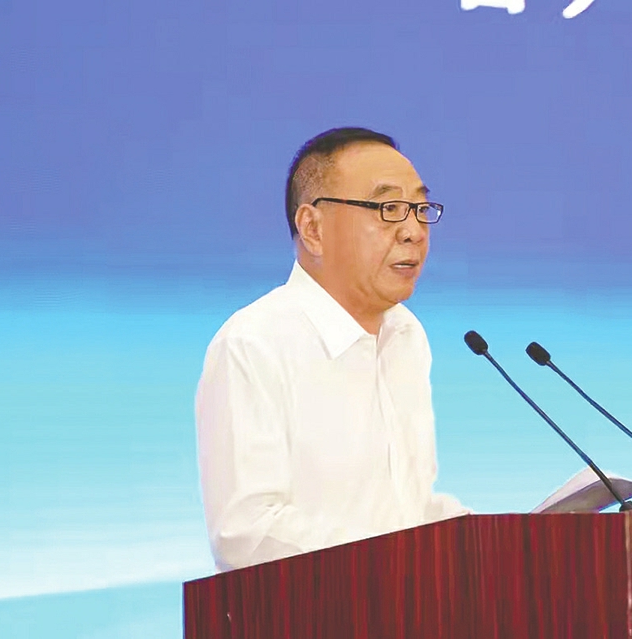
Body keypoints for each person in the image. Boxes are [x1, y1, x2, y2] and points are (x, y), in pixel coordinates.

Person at [195, 127, 468, 571]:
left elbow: (407, 507)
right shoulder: (253, 344)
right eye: (389, 209)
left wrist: (495, 538)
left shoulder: (406, 336)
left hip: (405, 599)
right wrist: (399, 558)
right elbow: (245, 534)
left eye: (420, 209)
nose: (413, 232)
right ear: (313, 229)